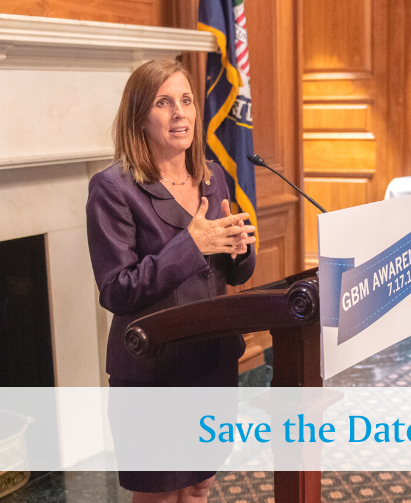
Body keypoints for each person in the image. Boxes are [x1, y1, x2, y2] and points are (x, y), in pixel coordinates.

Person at [86, 59, 256, 502]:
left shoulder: (212, 176)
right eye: (163, 103)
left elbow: (231, 271)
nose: (180, 113)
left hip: (211, 361)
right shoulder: (113, 188)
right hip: (154, 370)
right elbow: (117, 289)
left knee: (200, 487)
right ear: (139, 116)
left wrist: (239, 248)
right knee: (159, 494)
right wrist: (191, 245)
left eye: (186, 100)